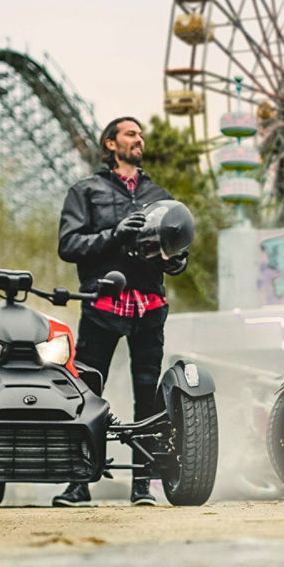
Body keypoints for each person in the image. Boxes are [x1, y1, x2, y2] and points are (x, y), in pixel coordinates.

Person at [53, 116, 188, 507]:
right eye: (131, 134)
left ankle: (142, 486)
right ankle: (78, 484)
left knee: (147, 398)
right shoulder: (86, 191)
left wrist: (176, 261)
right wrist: (115, 235)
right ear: (110, 144)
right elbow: (68, 244)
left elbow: (174, 243)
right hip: (102, 305)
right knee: (86, 393)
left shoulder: (159, 194)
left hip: (150, 307)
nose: (139, 139)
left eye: (140, 134)